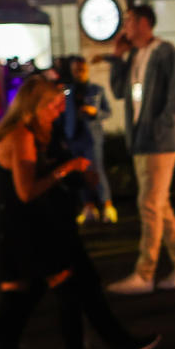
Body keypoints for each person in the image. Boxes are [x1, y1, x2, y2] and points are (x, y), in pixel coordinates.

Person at [0, 77, 157, 349]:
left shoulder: (7, 132)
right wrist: (64, 168)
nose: (59, 110)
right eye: (54, 105)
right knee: (64, 293)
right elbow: (26, 192)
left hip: (12, 231)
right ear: (34, 105)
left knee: (18, 306)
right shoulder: (21, 136)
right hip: (24, 233)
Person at [100, 4, 175, 294]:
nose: (125, 26)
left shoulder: (165, 52)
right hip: (141, 139)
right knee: (159, 205)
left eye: (128, 21)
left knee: (149, 204)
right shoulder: (134, 56)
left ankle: (145, 273)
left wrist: (160, 128)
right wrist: (117, 58)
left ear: (143, 23)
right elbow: (118, 91)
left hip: (158, 141)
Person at [61, 57, 117, 224]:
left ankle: (107, 205)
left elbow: (108, 111)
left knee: (97, 170)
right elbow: (62, 115)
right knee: (80, 172)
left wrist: (95, 113)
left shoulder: (96, 90)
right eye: (76, 70)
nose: (79, 73)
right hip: (74, 136)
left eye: (82, 69)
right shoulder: (67, 91)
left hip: (92, 136)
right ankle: (89, 207)